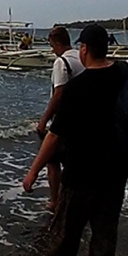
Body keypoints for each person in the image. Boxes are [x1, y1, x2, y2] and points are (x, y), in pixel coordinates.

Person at [22, 24, 128, 256]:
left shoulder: (76, 88)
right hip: (116, 167)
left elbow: (55, 136)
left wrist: (33, 170)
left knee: (67, 225)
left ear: (84, 49)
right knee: (105, 226)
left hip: (82, 169)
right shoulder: (125, 72)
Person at [35, 27, 86, 212]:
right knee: (74, 162)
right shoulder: (81, 58)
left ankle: (55, 201)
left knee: (52, 160)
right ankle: (76, 198)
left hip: (65, 119)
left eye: (51, 45)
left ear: (57, 43)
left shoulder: (61, 62)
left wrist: (44, 120)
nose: (51, 50)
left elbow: (58, 94)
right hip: (84, 119)